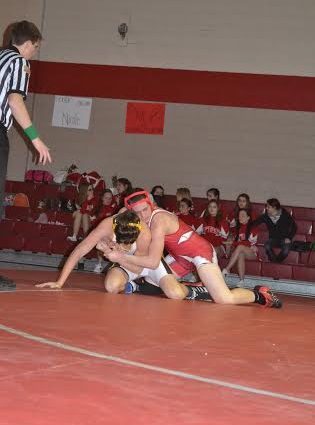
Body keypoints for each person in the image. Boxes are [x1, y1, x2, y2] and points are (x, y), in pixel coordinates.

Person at [104, 191, 282, 308]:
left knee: (224, 299)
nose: (142, 216)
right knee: (153, 285)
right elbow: (114, 224)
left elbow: (152, 261)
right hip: (179, 256)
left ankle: (260, 295)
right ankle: (197, 289)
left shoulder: (158, 221)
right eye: (137, 213)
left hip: (199, 252)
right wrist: (109, 241)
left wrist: (120, 256)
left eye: (144, 210)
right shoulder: (136, 214)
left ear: (151, 205)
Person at [36, 210, 205, 300]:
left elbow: (140, 269)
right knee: (111, 287)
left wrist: (113, 254)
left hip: (148, 263)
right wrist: (60, 282)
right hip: (125, 262)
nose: (125, 244)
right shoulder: (106, 226)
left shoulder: (145, 233)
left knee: (175, 295)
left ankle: (192, 290)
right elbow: (80, 250)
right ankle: (139, 287)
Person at [0, 20, 51, 289]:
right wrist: (36, 139)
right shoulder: (18, 61)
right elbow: (14, 99)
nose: (33, 52)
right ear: (28, 43)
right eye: (34, 47)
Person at [252, 198, 297, 263]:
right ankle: (274, 262)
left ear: (274, 208)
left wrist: (289, 238)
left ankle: (275, 262)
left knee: (286, 250)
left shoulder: (285, 215)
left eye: (268, 207)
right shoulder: (266, 216)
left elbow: (294, 227)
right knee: (267, 245)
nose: (266, 208)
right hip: (273, 239)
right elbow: (255, 223)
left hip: (284, 239)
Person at [222, 209, 259, 286]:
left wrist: (234, 243)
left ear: (248, 217)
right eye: (239, 216)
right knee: (241, 253)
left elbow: (249, 243)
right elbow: (238, 243)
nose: (240, 217)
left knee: (241, 247)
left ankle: (226, 270)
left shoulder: (254, 228)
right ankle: (242, 281)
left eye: (243, 215)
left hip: (253, 253)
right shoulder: (237, 228)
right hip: (242, 250)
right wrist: (230, 242)